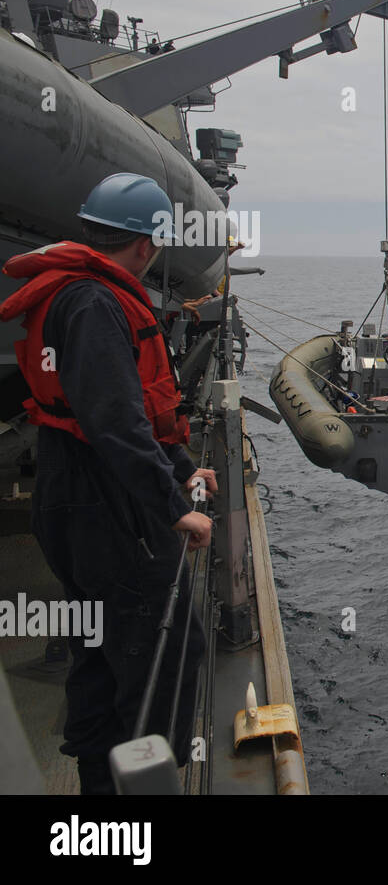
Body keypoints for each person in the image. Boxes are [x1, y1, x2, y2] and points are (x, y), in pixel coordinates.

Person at [0, 173, 213, 794]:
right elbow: (116, 423)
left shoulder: (76, 295)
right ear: (146, 245)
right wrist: (175, 508)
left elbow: (118, 414)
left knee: (98, 647)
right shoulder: (96, 304)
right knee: (166, 651)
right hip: (101, 504)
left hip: (73, 488)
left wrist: (178, 468)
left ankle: (98, 798)